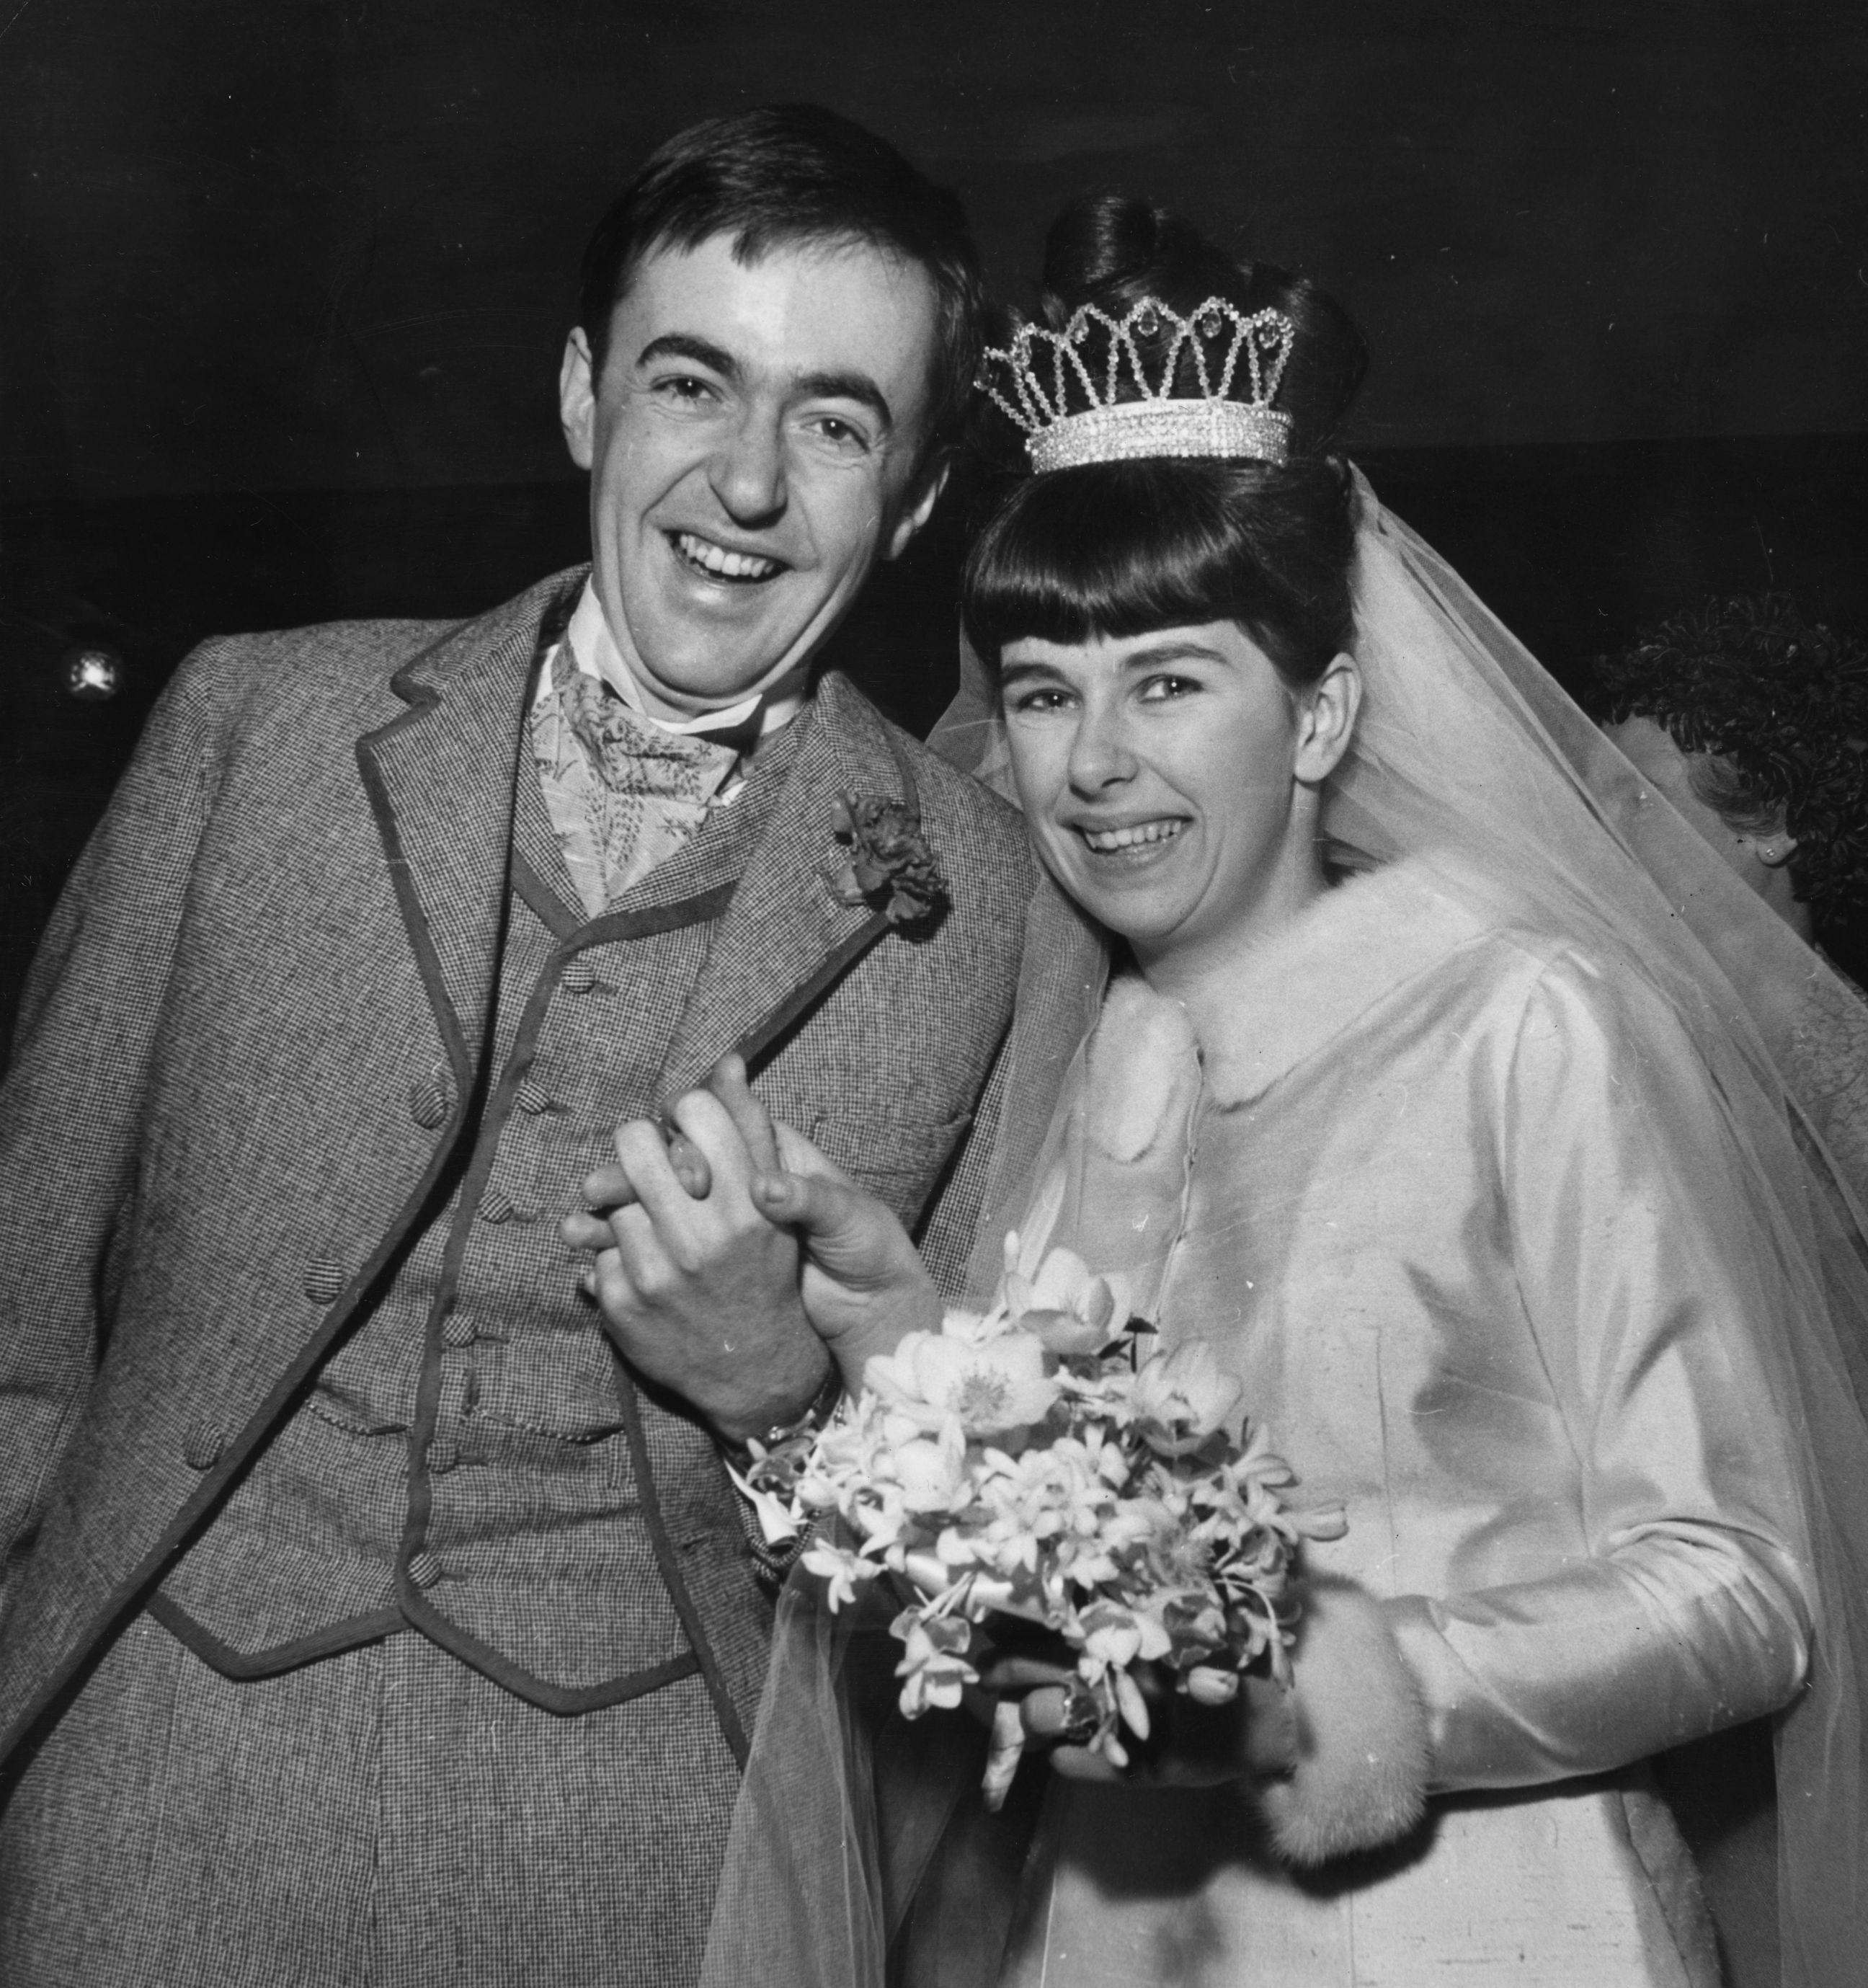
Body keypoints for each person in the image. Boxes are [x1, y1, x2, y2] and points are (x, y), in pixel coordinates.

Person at [604, 198, 1868, 1986]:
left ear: (1325, 714)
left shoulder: (1519, 1017)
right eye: (1041, 693)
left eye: (1171, 683)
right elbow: (1063, 1588)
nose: (1093, 762)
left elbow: (1739, 1594)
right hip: (1112, 1937)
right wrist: (892, 1338)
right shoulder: (1080, 1068)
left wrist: (1312, 1692)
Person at [0, 107, 1098, 1987]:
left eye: (833, 422)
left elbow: (1010, 1532)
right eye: (694, 385)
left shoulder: (994, 900)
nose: (745, 482)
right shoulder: (255, 727)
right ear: (588, 394)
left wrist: (784, 1383)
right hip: (151, 1770)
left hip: (664, 1840)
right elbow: (16, 1302)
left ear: (911, 495)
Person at [1595, 599, 1868, 1192]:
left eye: (1639, 800)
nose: (1591, 831)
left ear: (1774, 825)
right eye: (1586, 801)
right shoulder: (1590, 1055)